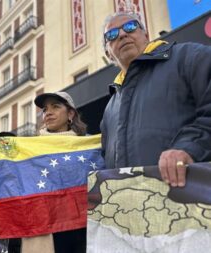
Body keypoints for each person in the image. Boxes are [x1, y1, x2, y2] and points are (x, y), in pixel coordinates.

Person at [100, 12, 211, 188]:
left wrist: (190, 147)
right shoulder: (110, 108)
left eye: (130, 26)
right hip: (135, 207)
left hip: (193, 200)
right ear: (109, 53)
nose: (122, 34)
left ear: (146, 35)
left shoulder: (188, 56)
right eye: (111, 35)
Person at [26, 91, 87, 253]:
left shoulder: (87, 146)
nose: (48, 112)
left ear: (70, 114)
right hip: (44, 228)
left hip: (81, 227)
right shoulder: (30, 149)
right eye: (45, 109)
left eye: (56, 107)